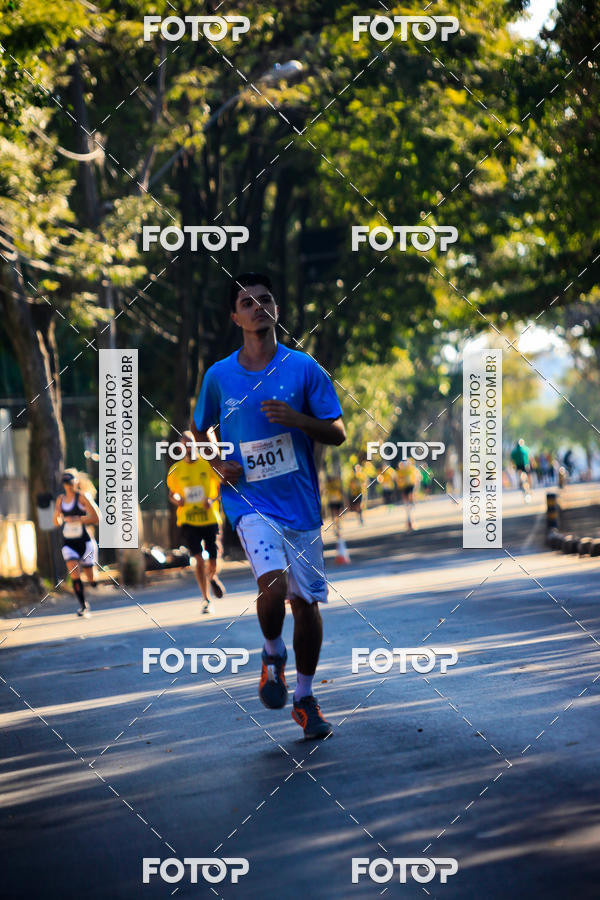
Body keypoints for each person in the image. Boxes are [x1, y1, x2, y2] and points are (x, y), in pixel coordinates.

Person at [193, 271, 345, 740]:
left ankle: (303, 698)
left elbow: (337, 432)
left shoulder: (303, 368)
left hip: (299, 505)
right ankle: (272, 651)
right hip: (248, 501)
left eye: (265, 299)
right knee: (274, 588)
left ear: (275, 309)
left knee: (308, 606)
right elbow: (200, 431)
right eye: (247, 302)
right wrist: (219, 465)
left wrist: (297, 419)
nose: (257, 306)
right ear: (235, 317)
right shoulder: (219, 376)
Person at [167, 430, 225, 614]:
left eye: (191, 445)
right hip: (188, 520)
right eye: (185, 446)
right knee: (198, 559)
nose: (189, 448)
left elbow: (222, 487)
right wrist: (178, 499)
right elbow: (172, 493)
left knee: (213, 560)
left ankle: (213, 576)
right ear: (180, 448)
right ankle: (206, 598)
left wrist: (212, 500)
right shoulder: (176, 470)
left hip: (210, 519)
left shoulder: (207, 464)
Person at [53, 469, 100, 617]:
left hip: (85, 542)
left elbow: (97, 517)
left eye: (70, 482)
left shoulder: (82, 497)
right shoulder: (60, 499)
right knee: (74, 572)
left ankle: (93, 580)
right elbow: (56, 521)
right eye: (65, 483)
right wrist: (58, 517)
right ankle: (83, 606)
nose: (68, 486)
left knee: (90, 576)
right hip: (69, 542)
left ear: (76, 482)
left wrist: (78, 519)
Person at [396, 458, 421, 530]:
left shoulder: (413, 469)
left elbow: (418, 478)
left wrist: (416, 491)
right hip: (404, 488)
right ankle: (409, 521)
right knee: (407, 505)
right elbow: (398, 480)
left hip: (411, 486)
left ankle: (411, 521)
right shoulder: (400, 471)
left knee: (411, 503)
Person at [324, 471, 344, 535]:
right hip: (335, 500)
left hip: (334, 500)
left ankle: (336, 526)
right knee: (336, 514)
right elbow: (340, 489)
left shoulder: (328, 484)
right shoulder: (335, 483)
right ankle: (336, 526)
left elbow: (326, 492)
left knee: (335, 515)